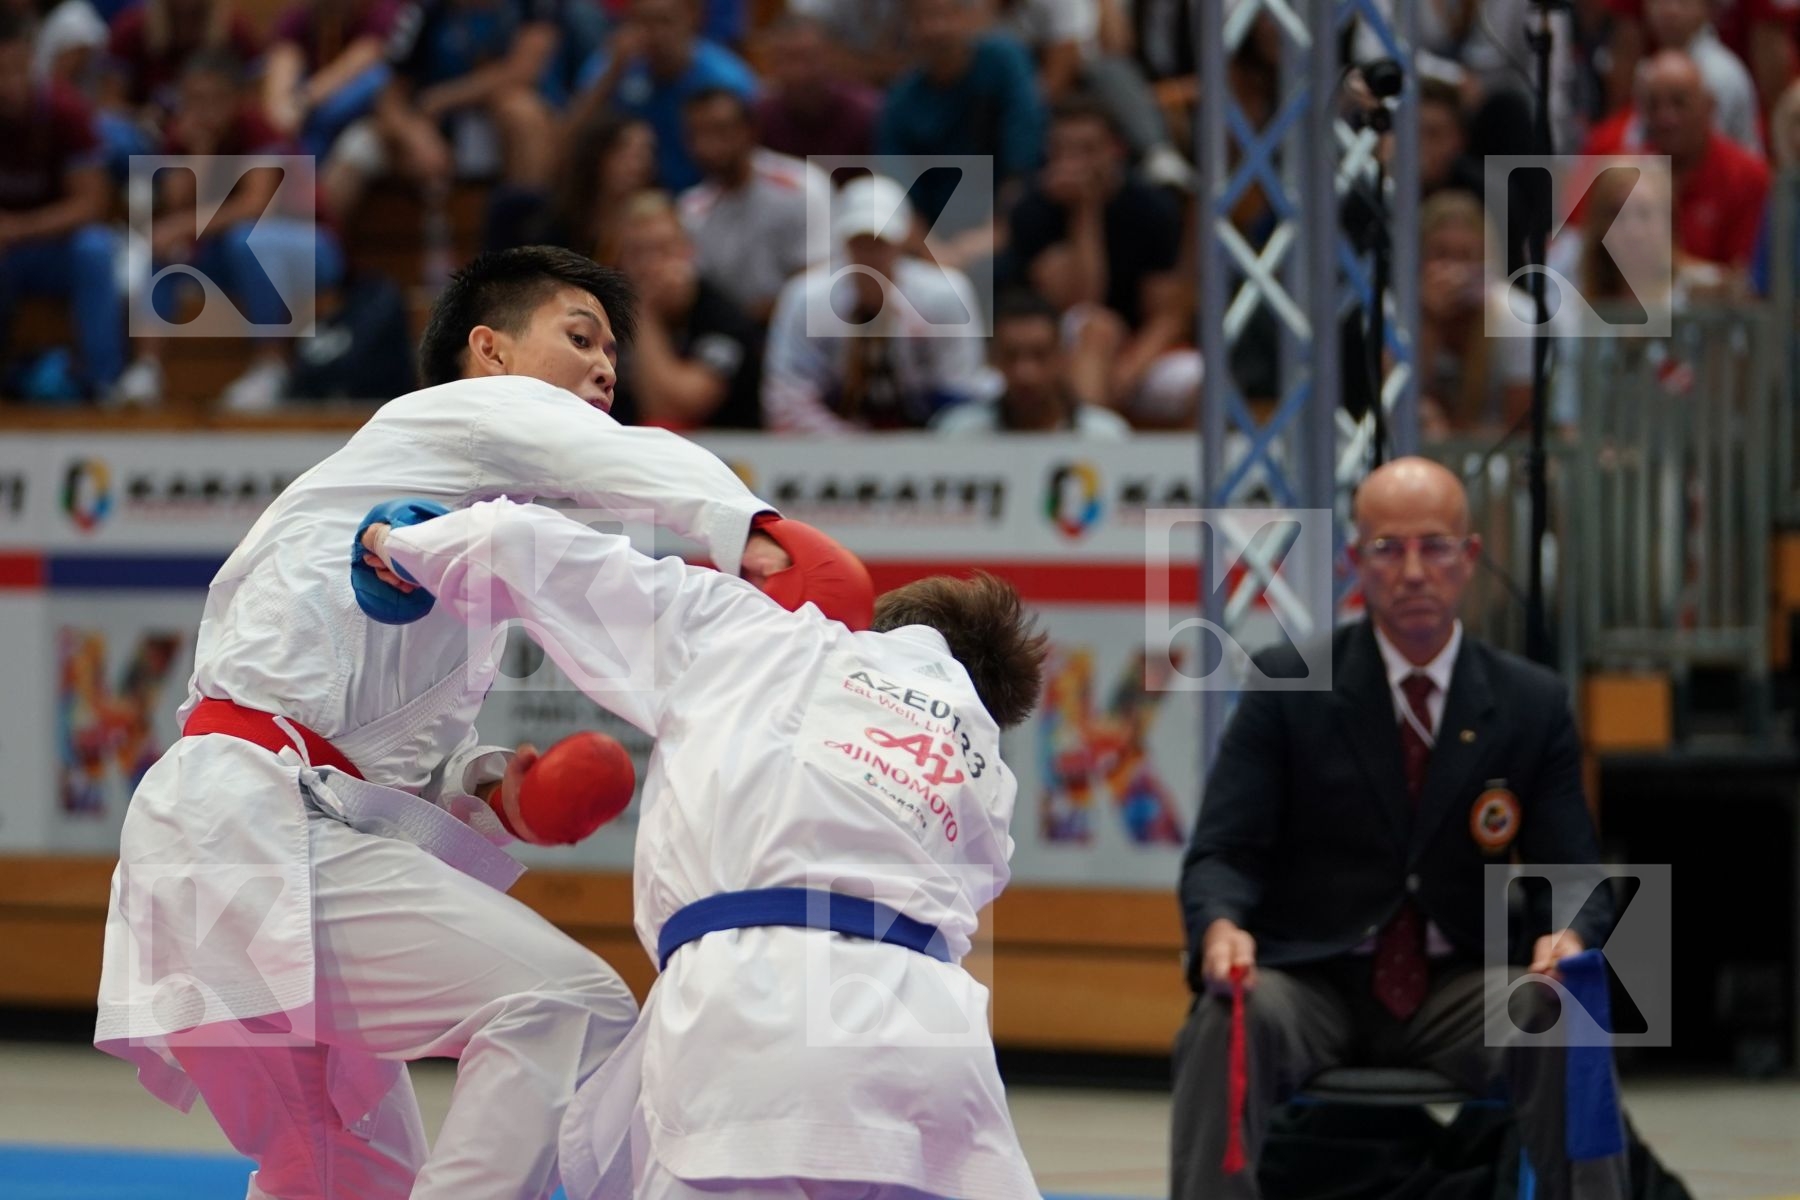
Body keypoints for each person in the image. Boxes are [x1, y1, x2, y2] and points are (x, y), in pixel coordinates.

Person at [93, 245, 797, 1200]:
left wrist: (496, 789)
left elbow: (372, 756)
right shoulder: (451, 414)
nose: (605, 369)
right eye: (580, 337)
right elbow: (633, 458)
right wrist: (760, 534)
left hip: (231, 832)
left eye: (614, 355)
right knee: (564, 1001)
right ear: (490, 351)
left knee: (340, 1172)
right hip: (251, 831)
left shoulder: (459, 525)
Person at [357, 498, 1051, 1200]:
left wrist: (399, 542)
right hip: (938, 1050)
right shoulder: (988, 770)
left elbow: (526, 547)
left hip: (753, 1017)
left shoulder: (769, 635)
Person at [1170, 457, 1628, 1200]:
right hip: (1309, 981)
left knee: (1566, 1013)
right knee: (1228, 1016)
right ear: (1356, 561)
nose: (1413, 570)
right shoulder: (1288, 683)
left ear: (1469, 557)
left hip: (1461, 986)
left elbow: (1573, 872)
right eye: (1388, 548)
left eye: (1435, 546)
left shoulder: (1529, 700)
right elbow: (1223, 851)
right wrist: (1220, 927)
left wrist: (1568, 937)